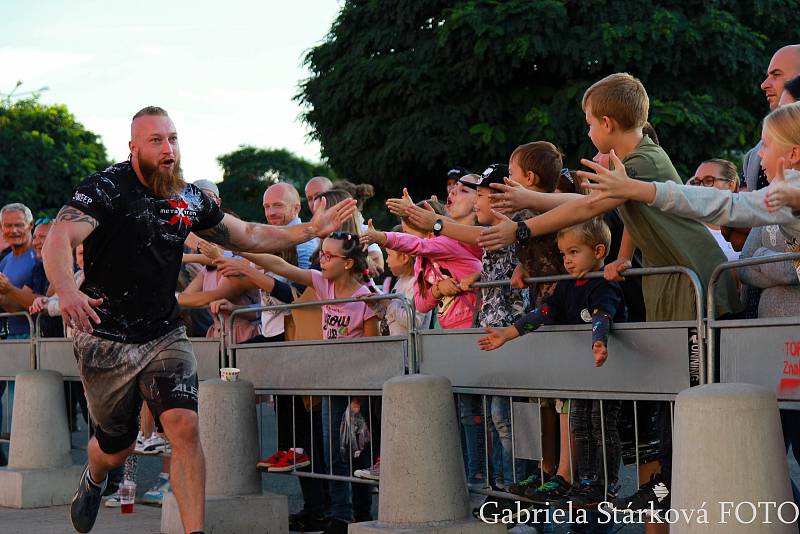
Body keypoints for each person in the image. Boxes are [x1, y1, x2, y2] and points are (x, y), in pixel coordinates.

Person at [41, 105, 356, 534]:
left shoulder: (188, 198)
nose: (168, 149)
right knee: (118, 446)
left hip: (164, 332)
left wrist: (309, 230)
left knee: (185, 427)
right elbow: (60, 237)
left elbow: (247, 234)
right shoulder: (106, 189)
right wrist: (67, 289)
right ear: (133, 147)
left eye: (172, 139)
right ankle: (95, 475)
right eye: (156, 141)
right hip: (106, 335)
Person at [478, 74, 742, 527]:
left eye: (587, 123)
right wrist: (621, 256)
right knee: (668, 403)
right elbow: (631, 211)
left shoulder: (643, 160)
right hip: (671, 288)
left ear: (605, 121)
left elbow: (588, 208)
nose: (586, 132)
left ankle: (674, 490)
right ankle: (661, 489)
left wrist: (524, 221)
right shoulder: (636, 157)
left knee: (689, 407)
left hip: (695, 286)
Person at [218, 232, 379, 534]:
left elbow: (371, 350)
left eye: (330, 256)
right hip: (329, 385)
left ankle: (361, 513)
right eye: (321, 253)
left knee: (357, 453)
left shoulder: (366, 298)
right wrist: (242, 248)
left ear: (347, 262)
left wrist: (360, 396)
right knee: (333, 454)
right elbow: (281, 267)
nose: (322, 259)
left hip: (357, 387)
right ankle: (340, 516)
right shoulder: (322, 282)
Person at [478, 218, 625, 515]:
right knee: (580, 425)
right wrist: (508, 333)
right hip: (578, 376)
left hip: (605, 374)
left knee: (601, 426)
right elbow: (544, 311)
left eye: (574, 252)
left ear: (598, 250)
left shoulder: (603, 285)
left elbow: (603, 315)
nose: (567, 261)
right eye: (563, 255)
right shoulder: (567, 286)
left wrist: (599, 342)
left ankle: (602, 484)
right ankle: (583, 483)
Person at [687, 159, 741, 261]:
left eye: (708, 181)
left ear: (730, 185)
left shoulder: (749, 225)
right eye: (697, 182)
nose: (701, 187)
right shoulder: (689, 228)